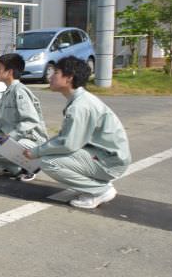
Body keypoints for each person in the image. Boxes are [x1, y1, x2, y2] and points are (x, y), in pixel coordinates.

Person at [24, 56, 131, 209]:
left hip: (110, 161)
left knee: (49, 162)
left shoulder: (80, 106)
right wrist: (41, 149)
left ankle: (100, 191)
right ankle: (96, 184)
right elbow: (66, 138)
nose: (51, 76)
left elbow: (68, 144)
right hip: (105, 155)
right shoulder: (79, 100)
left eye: (56, 73)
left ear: (69, 78)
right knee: (50, 154)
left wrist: (37, 152)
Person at [0, 53, 48, 181]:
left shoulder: (20, 91)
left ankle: (32, 166)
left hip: (31, 139)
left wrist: (11, 136)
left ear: (10, 72)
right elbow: (1, 123)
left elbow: (30, 120)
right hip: (16, 137)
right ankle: (17, 170)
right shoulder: (7, 92)